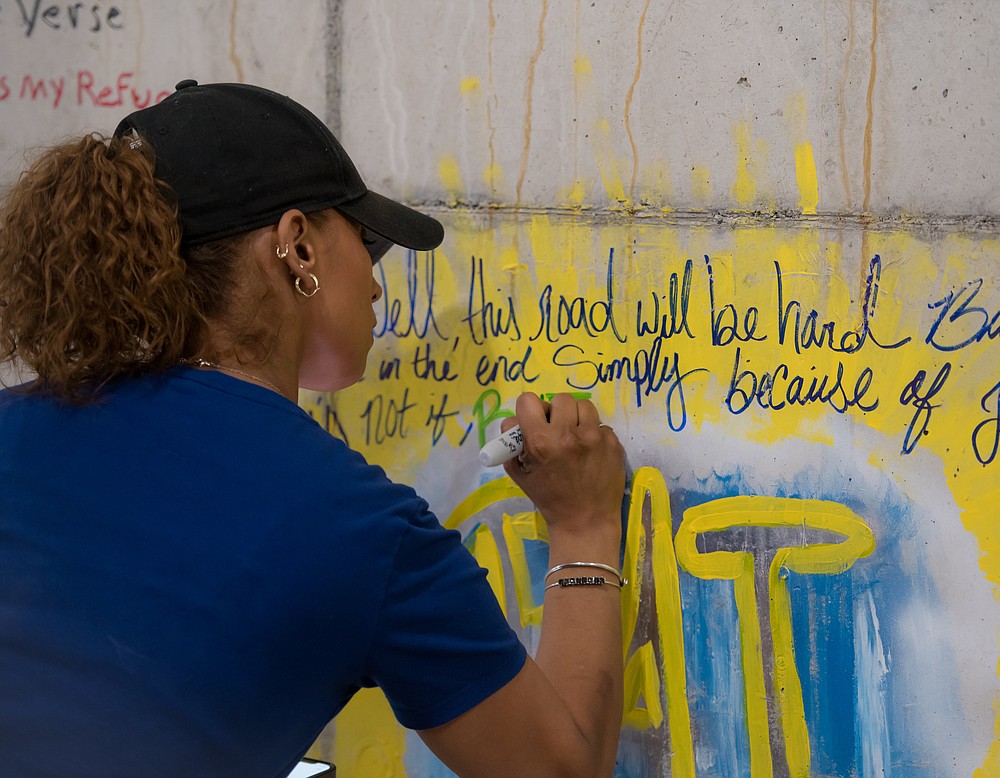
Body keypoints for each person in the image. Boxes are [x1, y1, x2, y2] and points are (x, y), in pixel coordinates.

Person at [0, 80, 626, 777]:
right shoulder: (361, 528)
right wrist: (584, 525)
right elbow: (556, 770)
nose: (379, 286)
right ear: (297, 247)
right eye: (366, 243)